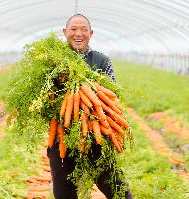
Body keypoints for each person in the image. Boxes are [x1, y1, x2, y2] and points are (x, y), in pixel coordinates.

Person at [47, 14, 133, 199]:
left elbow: (114, 96)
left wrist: (91, 95)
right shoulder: (51, 62)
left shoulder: (102, 61)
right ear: (65, 32)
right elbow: (42, 103)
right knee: (63, 194)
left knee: (118, 191)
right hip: (63, 138)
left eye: (83, 29)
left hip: (97, 137)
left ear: (91, 33)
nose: (79, 34)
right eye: (73, 29)